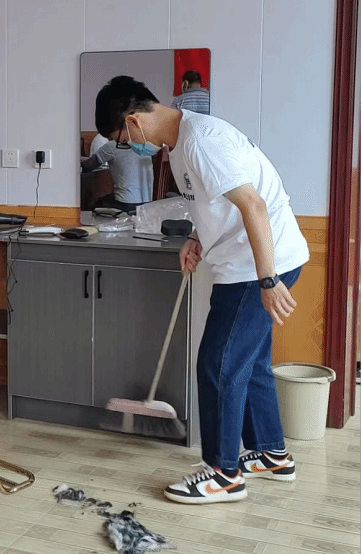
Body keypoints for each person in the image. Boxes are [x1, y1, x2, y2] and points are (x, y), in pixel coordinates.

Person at [95, 76, 309, 505]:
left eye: (121, 140)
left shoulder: (202, 141)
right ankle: (272, 453)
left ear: (133, 121)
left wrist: (267, 280)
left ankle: (224, 473)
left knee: (218, 365)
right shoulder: (181, 144)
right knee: (250, 364)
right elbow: (214, 204)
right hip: (249, 262)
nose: (128, 147)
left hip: (254, 268)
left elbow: (254, 205)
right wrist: (197, 237)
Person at [81, 137, 154, 212]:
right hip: (148, 203)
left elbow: (88, 166)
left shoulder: (112, 146)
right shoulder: (146, 145)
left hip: (125, 203)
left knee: (92, 203)